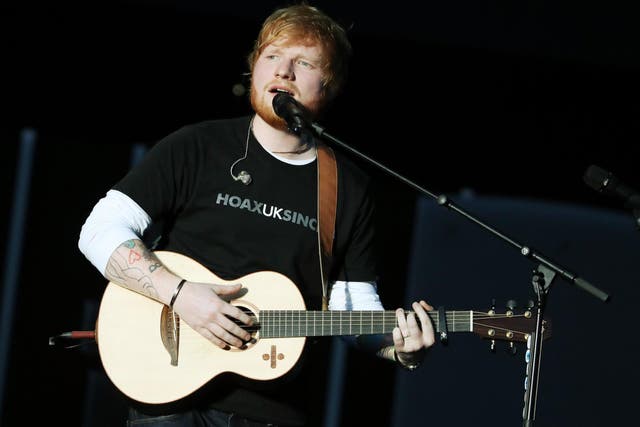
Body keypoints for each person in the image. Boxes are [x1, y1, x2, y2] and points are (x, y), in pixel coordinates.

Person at [78, 2, 435, 426]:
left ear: (329, 85)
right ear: (255, 70)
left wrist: (398, 346)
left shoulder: (347, 187)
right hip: (167, 402)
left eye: (302, 62)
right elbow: (99, 230)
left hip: (273, 411)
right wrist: (180, 294)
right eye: (272, 57)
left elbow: (350, 307)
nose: (283, 71)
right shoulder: (198, 146)